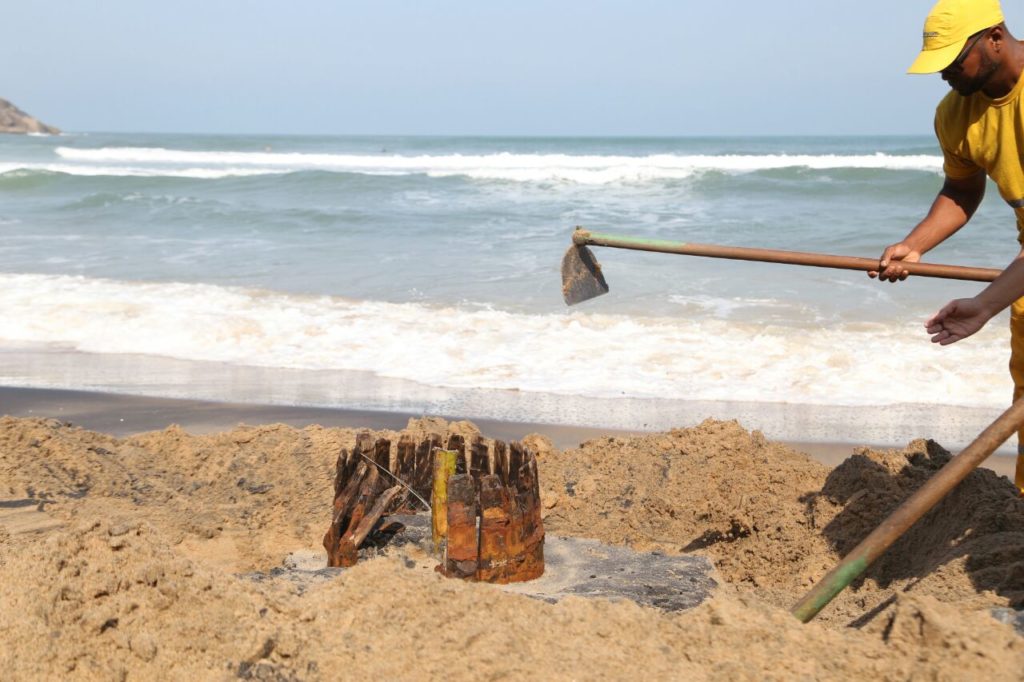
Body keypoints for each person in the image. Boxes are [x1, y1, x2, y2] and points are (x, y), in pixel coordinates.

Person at [872, 0, 1024, 492]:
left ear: (995, 37)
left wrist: (984, 305)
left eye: (954, 62)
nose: (945, 75)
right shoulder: (955, 113)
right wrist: (914, 246)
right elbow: (962, 189)